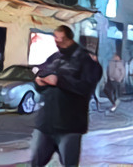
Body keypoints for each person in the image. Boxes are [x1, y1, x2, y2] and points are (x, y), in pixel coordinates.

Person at [29, 25, 103, 167]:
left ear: (68, 38)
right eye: (55, 38)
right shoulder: (55, 57)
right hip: (46, 123)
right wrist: (39, 82)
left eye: (59, 38)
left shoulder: (86, 60)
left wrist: (59, 81)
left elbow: (86, 87)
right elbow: (41, 74)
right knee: (35, 164)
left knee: (69, 164)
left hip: (69, 126)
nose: (56, 41)